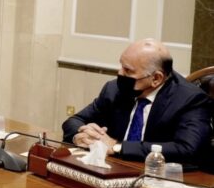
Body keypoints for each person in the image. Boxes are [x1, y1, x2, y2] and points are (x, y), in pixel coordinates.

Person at [62, 38, 212, 163]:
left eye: (128, 70)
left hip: (160, 176)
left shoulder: (190, 99)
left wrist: (116, 146)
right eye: (121, 66)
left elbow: (187, 149)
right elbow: (74, 121)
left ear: (156, 78)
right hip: (113, 167)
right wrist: (83, 137)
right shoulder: (114, 89)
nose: (119, 73)